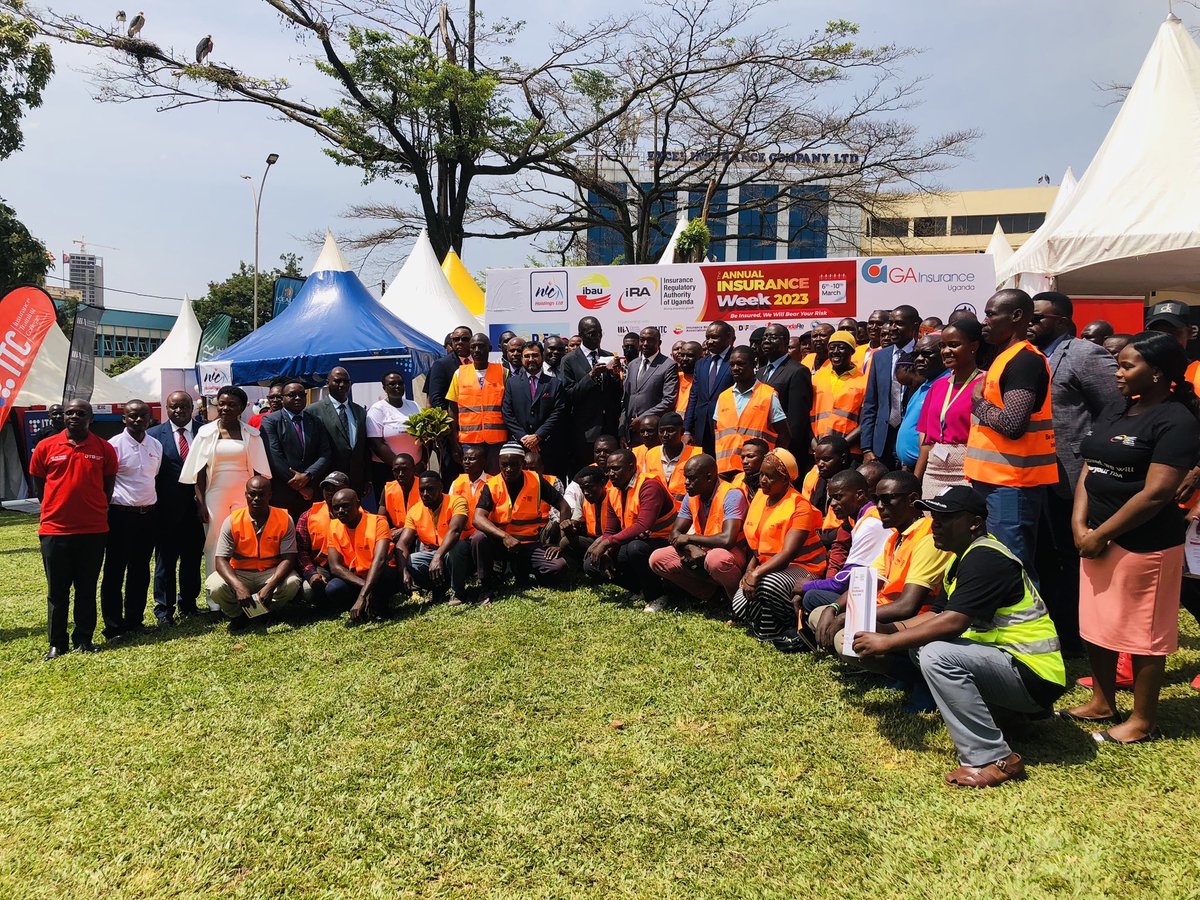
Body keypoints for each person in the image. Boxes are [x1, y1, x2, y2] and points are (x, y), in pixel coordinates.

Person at [852, 486, 1067, 788]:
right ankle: (1012, 719)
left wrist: (887, 643)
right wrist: (887, 629)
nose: (935, 523)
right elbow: (937, 614)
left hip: (1034, 675)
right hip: (1012, 666)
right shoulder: (960, 558)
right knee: (921, 647)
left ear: (974, 523)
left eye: (945, 517)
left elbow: (952, 623)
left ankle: (991, 758)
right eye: (934, 516)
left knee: (935, 654)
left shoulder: (986, 559)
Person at [1061, 332, 1200, 744]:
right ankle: (1103, 701)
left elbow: (1157, 492)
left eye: (1126, 366)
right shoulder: (1119, 409)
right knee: (1097, 623)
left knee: (1144, 633)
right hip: (1094, 535)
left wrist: (1102, 533)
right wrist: (1080, 524)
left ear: (1156, 373)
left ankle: (1143, 720)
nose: (1117, 373)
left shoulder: (1177, 420)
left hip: (1143, 542)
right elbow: (1092, 465)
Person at [1029, 292, 1122, 652]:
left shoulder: (1085, 354)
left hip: (1076, 473)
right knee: (1047, 556)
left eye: (1038, 318)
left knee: (1076, 556)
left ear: (1063, 322)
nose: (1030, 324)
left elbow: (1115, 409)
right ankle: (1061, 628)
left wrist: (1094, 455)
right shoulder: (1029, 356)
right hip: (1036, 473)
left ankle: (1084, 634)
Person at [804, 471, 951, 658]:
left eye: (887, 499)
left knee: (844, 636)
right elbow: (863, 585)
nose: (879, 506)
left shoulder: (928, 537)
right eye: (877, 499)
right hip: (879, 611)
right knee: (820, 613)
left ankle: (891, 667)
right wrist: (834, 608)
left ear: (912, 499)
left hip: (908, 622)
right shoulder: (894, 538)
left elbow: (907, 606)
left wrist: (847, 617)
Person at [966, 289, 1057, 572]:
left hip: (1012, 485)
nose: (985, 321)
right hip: (994, 481)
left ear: (1016, 316)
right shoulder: (1005, 356)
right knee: (995, 563)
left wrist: (978, 403)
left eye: (991, 314)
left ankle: (1025, 618)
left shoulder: (1025, 360)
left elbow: (1012, 424)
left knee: (1011, 567)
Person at [30, 399, 118, 659]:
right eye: (70, 413)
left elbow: (107, 488)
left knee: (86, 588)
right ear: (63, 417)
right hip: (55, 531)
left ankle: (84, 638)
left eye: (81, 413)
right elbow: (39, 487)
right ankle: (57, 643)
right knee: (57, 591)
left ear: (91, 418)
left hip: (93, 531)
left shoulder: (103, 448)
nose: (74, 417)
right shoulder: (46, 447)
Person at [731, 448, 826, 650]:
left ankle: (783, 625)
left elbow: (788, 554)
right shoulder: (760, 497)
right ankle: (772, 624)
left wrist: (756, 574)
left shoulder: (800, 505)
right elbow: (758, 544)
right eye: (762, 474)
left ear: (785, 480)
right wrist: (749, 571)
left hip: (804, 568)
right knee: (739, 604)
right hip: (768, 567)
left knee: (767, 584)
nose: (763, 480)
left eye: (770, 476)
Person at [179, 385, 272, 584]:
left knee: (244, 539)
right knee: (214, 541)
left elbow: (259, 472)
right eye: (221, 404)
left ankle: (243, 587)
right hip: (215, 494)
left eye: (231, 405)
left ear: (241, 408)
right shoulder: (205, 433)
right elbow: (199, 472)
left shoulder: (252, 434)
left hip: (245, 495)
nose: (225, 408)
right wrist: (201, 503)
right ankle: (215, 594)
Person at [471, 442, 571, 603]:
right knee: (478, 538)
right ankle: (486, 587)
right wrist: (505, 537)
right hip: (501, 544)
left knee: (558, 568)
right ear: (499, 464)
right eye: (504, 465)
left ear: (523, 464)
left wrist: (560, 542)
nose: (508, 469)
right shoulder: (492, 485)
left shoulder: (536, 480)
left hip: (528, 543)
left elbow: (563, 506)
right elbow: (478, 518)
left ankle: (521, 569)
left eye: (514, 465)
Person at [584, 447, 678, 611]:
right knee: (592, 563)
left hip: (666, 541)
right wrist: (606, 550)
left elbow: (643, 525)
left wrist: (606, 544)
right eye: (608, 469)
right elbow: (611, 530)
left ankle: (657, 596)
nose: (610, 474)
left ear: (631, 467)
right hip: (638, 541)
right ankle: (639, 588)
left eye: (616, 468)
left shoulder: (649, 486)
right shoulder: (613, 490)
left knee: (635, 549)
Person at [100, 399, 163, 641]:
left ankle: (135, 620)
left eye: (142, 416)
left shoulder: (155, 445)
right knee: (115, 571)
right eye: (132, 416)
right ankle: (114, 626)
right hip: (120, 516)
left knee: (140, 570)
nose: (138, 420)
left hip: (147, 515)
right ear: (123, 419)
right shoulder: (113, 446)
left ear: (150, 419)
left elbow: (152, 476)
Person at [205, 476, 303, 632]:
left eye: (262, 494)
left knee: (292, 582)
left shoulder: (285, 519)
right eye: (252, 494)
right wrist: (238, 586)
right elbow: (221, 561)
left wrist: (270, 587)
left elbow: (289, 558)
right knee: (214, 585)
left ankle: (267, 612)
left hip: (270, 572)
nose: (256, 498)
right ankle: (238, 616)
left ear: (270, 495)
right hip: (240, 572)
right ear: (245, 495)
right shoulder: (232, 521)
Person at [649, 453, 748, 605]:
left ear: (709, 477)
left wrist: (689, 539)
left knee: (716, 559)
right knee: (657, 559)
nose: (686, 483)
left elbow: (728, 540)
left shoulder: (732, 495)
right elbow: (675, 533)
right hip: (703, 548)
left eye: (692, 478)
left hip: (732, 552)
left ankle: (739, 602)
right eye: (685, 477)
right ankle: (713, 596)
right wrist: (690, 548)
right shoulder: (691, 496)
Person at [148, 391, 205, 626]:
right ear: (167, 408)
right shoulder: (153, 436)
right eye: (173, 407)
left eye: (183, 406)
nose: (178, 411)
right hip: (167, 511)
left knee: (192, 559)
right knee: (166, 561)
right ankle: (164, 609)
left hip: (198, 509)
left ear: (192, 407)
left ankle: (189, 603)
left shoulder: (206, 432)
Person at [916, 319, 984, 498]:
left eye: (954, 345)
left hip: (968, 470)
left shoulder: (986, 384)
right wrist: (916, 479)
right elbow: (925, 440)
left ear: (974, 346)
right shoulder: (938, 386)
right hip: (934, 471)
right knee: (931, 522)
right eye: (943, 346)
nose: (946, 351)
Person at [326, 487, 402, 622]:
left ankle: (381, 607)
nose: (340, 511)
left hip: (381, 575)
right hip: (357, 578)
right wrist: (365, 588)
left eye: (345, 506)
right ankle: (360, 611)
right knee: (334, 588)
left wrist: (363, 594)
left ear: (358, 504)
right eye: (336, 508)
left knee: (383, 575)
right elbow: (335, 567)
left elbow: (379, 560)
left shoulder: (378, 522)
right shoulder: (333, 526)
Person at [395, 471, 471, 606]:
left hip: (460, 552)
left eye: (429, 489)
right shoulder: (414, 511)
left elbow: (455, 532)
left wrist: (438, 557)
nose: (425, 494)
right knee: (410, 560)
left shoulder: (457, 501)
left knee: (457, 547)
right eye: (422, 490)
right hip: (434, 554)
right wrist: (403, 571)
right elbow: (402, 544)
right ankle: (438, 590)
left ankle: (458, 592)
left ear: (440, 487)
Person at [260, 380, 333, 521]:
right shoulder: (270, 421)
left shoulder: (316, 421)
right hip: (283, 492)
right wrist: (299, 486)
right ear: (283, 398)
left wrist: (308, 475)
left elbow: (325, 454)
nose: (298, 398)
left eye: (301, 394)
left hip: (312, 491)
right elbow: (274, 456)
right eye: (292, 395)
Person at [713, 346, 789, 477]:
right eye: (732, 364)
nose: (735, 368)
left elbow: (784, 434)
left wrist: (773, 463)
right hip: (725, 470)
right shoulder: (723, 396)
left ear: (754, 364)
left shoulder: (767, 394)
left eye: (741, 364)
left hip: (756, 471)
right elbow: (717, 430)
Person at [560, 316, 623, 471]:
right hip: (584, 432)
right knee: (586, 474)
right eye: (592, 333)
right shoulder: (569, 360)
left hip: (609, 429)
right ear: (581, 335)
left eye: (600, 333)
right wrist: (590, 376)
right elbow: (569, 395)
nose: (597, 337)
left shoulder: (608, 355)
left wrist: (616, 376)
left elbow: (616, 396)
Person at [861, 305, 920, 468]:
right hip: (882, 444)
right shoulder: (880, 357)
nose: (893, 328)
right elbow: (870, 405)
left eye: (899, 323)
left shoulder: (923, 354)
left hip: (912, 441)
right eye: (891, 323)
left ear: (914, 326)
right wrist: (866, 448)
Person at [501, 340, 566, 474]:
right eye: (527, 356)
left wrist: (538, 436)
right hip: (520, 446)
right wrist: (524, 437)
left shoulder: (554, 384)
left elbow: (558, 412)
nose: (531, 359)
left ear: (542, 356)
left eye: (535, 355)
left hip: (548, 446)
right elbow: (507, 413)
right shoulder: (512, 384)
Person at [308, 366, 370, 499]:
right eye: (337, 381)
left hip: (355, 482)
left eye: (346, 381)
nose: (342, 385)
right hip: (328, 482)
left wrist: (367, 478)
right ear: (327, 382)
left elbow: (364, 449)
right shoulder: (313, 411)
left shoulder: (360, 411)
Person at [758, 323, 814, 467]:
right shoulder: (759, 372)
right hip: (762, 447)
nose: (766, 341)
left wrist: (783, 451)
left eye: (772, 337)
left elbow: (797, 420)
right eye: (765, 337)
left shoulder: (797, 371)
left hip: (785, 451)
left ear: (785, 341)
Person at [366, 369, 424, 499]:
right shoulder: (377, 409)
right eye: (392, 384)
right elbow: (377, 444)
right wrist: (401, 468)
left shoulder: (414, 405)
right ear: (384, 388)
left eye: (400, 383)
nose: (397, 386)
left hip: (416, 470)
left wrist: (422, 463)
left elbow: (424, 436)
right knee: (392, 510)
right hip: (388, 471)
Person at [296, 471, 347, 613]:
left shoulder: (360, 514)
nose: (330, 492)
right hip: (322, 566)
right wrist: (311, 573)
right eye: (327, 488)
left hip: (350, 566)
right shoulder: (308, 516)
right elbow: (301, 552)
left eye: (335, 489)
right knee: (308, 591)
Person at [684, 321, 736, 454]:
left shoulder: (736, 361)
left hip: (727, 428)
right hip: (701, 428)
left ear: (728, 337)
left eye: (714, 337)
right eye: (707, 338)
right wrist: (687, 430)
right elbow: (694, 397)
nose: (710, 341)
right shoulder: (701, 364)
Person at [811, 329, 866, 449]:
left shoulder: (864, 381)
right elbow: (806, 416)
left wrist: (839, 447)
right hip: (817, 450)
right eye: (831, 348)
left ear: (852, 351)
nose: (835, 352)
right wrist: (815, 446)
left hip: (849, 451)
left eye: (841, 348)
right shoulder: (817, 378)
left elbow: (865, 422)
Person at [896, 333, 943, 470]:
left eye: (926, 354)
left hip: (927, 468)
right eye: (916, 355)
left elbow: (929, 439)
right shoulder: (923, 386)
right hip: (909, 467)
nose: (919, 359)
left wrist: (917, 475)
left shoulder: (945, 385)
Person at [621, 326, 678, 437]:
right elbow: (626, 399)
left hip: (653, 431)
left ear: (659, 343)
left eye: (650, 340)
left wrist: (643, 418)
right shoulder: (632, 364)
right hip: (631, 431)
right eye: (642, 340)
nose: (645, 343)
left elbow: (669, 400)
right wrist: (622, 429)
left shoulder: (668, 365)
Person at [642, 412, 699, 503]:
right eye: (661, 431)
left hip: (687, 511)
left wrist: (686, 497)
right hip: (659, 511)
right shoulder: (650, 454)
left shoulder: (696, 455)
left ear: (682, 431)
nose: (665, 435)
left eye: (670, 430)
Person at [560, 465, 608, 570]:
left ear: (602, 484)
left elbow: (619, 530)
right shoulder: (582, 497)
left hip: (611, 540)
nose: (586, 492)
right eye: (582, 488)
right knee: (565, 542)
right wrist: (569, 526)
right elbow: (576, 521)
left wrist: (599, 543)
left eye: (589, 487)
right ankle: (578, 569)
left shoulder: (613, 497)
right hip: (592, 538)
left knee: (591, 566)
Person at [426, 326, 474, 410]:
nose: (460, 342)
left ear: (472, 341)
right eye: (456, 339)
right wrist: (451, 418)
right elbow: (436, 398)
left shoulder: (479, 361)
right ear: (452, 342)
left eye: (465, 339)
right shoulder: (441, 364)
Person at [449, 443, 489, 538]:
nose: (466, 462)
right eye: (465, 459)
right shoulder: (457, 482)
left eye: (471, 459)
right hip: (461, 534)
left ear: (483, 462)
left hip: (483, 535)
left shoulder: (493, 483)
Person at [381, 453, 421, 534]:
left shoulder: (424, 487)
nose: (400, 474)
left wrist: (403, 531)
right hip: (397, 532)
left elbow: (430, 519)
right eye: (396, 470)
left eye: (405, 470)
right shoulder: (388, 489)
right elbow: (381, 518)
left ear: (414, 470)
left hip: (421, 532)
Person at [856, 310, 890, 375]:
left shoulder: (892, 353)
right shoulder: (856, 351)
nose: (874, 327)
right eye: (871, 323)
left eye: (879, 324)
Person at [674, 341, 701, 414]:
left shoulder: (704, 380)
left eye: (690, 355)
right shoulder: (675, 377)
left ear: (701, 358)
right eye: (682, 355)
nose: (685, 359)